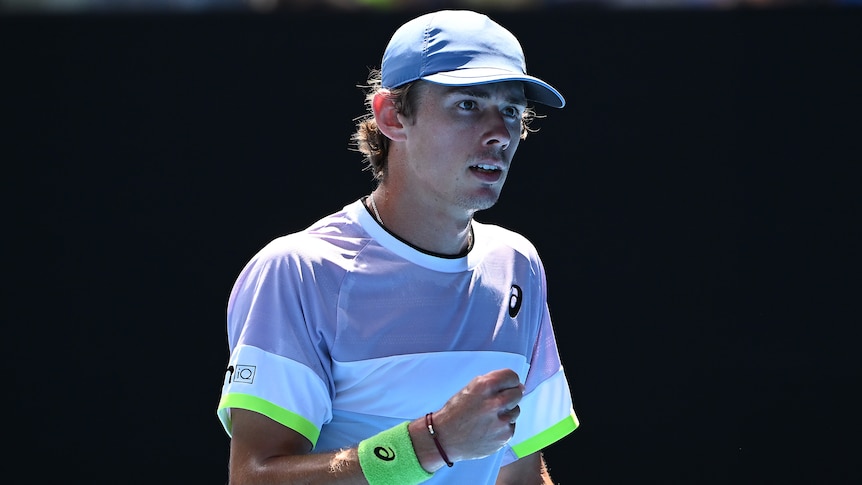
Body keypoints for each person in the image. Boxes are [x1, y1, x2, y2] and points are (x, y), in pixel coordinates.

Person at [216, 9, 579, 484]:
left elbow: (519, 471)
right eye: (468, 105)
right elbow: (254, 478)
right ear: (391, 115)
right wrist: (435, 442)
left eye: (511, 109)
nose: (500, 133)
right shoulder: (297, 270)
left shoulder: (517, 266)